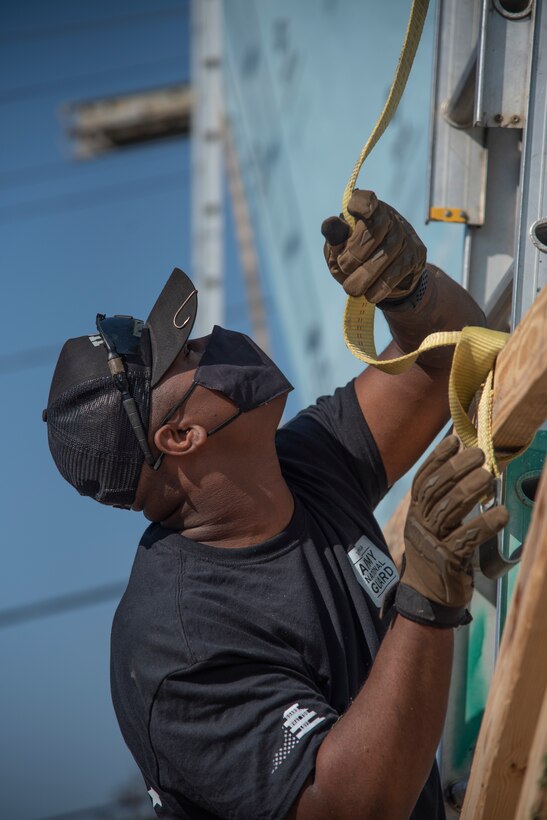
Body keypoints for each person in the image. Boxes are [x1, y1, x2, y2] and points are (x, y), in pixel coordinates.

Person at [43, 190, 508, 820]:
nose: (215, 342)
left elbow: (452, 354)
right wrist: (425, 598)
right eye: (190, 357)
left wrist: (407, 290)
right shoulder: (176, 649)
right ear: (180, 437)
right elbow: (349, 809)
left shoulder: (296, 465)